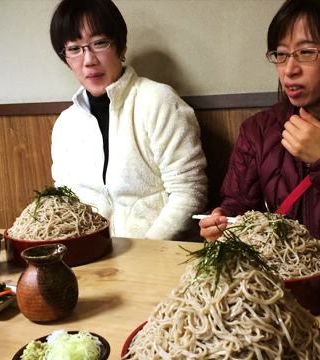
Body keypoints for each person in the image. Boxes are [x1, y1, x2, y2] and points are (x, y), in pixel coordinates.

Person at [200, 0, 320, 254]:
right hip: (276, 286)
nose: (289, 70)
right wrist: (221, 222)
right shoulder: (258, 130)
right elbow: (237, 206)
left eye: (306, 52)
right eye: (281, 54)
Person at [50, 0, 208, 240]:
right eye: (74, 48)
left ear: (121, 47)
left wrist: (142, 255)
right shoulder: (65, 124)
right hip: (90, 259)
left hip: (156, 258)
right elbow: (65, 202)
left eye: (99, 43)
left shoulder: (157, 100)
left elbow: (189, 192)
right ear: (65, 58)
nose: (89, 60)